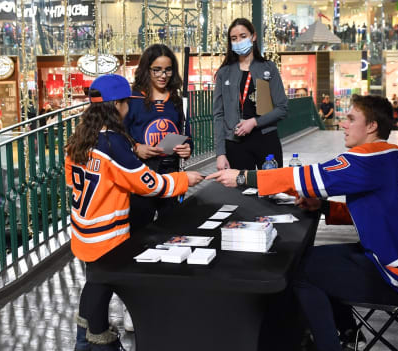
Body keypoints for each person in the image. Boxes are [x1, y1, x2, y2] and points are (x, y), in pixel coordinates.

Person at [207, 95, 398, 351]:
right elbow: (381, 212)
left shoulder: (368, 158)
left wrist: (244, 177)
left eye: (351, 119)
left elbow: (308, 176)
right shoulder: (396, 154)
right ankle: (348, 333)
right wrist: (324, 207)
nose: (344, 124)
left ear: (372, 126)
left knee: (299, 271)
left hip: (395, 275)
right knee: (313, 259)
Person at [65, 74, 203, 351]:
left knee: (95, 284)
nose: (129, 108)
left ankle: (86, 341)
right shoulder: (113, 144)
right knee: (105, 286)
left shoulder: (81, 138)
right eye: (127, 102)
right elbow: (148, 183)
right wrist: (185, 180)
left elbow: (72, 179)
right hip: (107, 236)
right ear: (117, 106)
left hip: (83, 230)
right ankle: (95, 344)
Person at [124, 43, 192, 230]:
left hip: (170, 173)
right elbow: (119, 134)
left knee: (173, 228)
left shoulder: (176, 100)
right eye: (157, 70)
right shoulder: (132, 99)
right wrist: (136, 147)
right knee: (139, 229)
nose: (163, 75)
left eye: (168, 70)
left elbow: (186, 134)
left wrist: (187, 147)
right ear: (147, 69)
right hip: (141, 175)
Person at [213, 18, 288, 171]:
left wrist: (254, 122)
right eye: (234, 39)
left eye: (243, 36)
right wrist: (220, 153)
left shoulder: (268, 68)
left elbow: (282, 108)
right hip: (235, 142)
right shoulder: (224, 73)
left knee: (272, 190)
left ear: (253, 37)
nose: (238, 41)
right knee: (240, 192)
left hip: (266, 139)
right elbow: (218, 115)